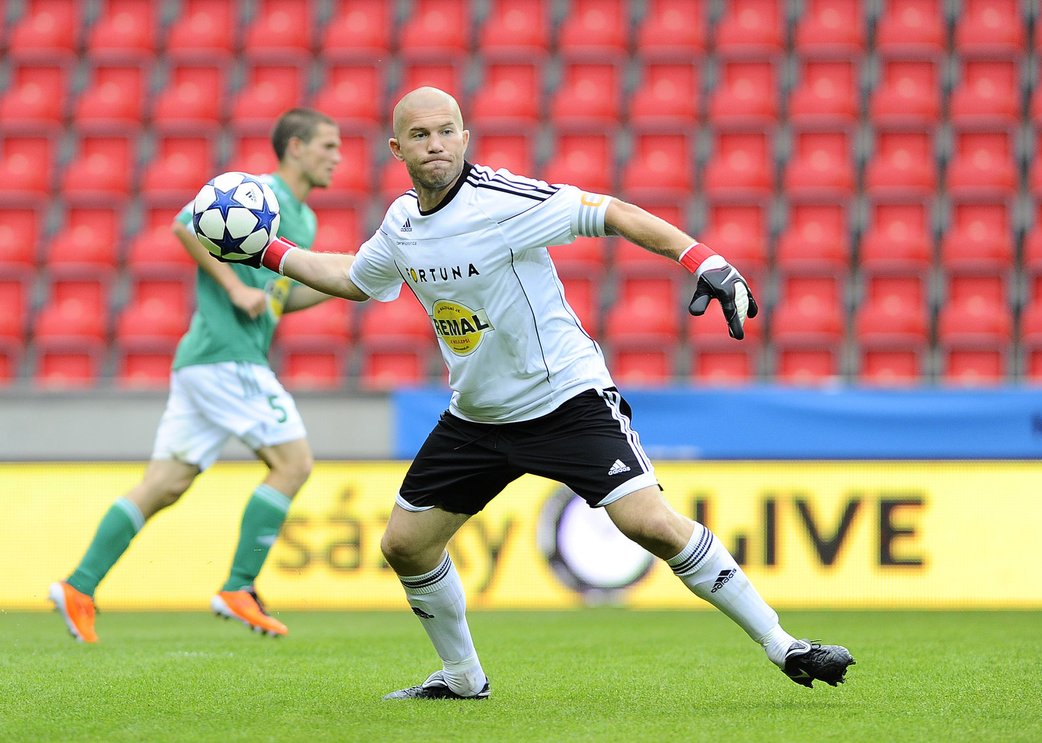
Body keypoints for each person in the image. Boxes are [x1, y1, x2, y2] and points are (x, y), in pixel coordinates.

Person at [220, 87, 856, 697]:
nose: (436, 144)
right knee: (403, 545)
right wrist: (269, 251)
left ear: (465, 137)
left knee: (651, 525)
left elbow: (611, 212)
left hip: (566, 402)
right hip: (477, 418)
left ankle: (783, 644)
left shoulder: (502, 199)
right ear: (398, 150)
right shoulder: (402, 223)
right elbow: (355, 277)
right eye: (420, 135)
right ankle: (463, 678)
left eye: (447, 131)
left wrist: (704, 261)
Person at [49, 108, 343, 643]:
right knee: (293, 463)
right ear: (295, 147)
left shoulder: (306, 218)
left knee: (165, 483)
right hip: (228, 356)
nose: (337, 157)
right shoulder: (257, 192)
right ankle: (239, 586)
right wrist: (233, 288)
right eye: (327, 146)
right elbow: (185, 224)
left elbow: (281, 297)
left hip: (201, 362)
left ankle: (79, 584)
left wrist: (348, 282)